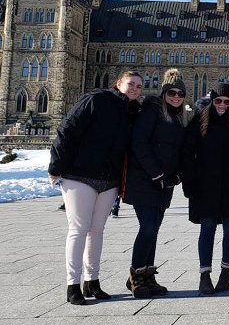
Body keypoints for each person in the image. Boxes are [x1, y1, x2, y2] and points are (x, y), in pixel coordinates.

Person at [49, 71, 143, 305]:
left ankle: (92, 281)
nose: (135, 89)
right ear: (118, 83)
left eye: (139, 86)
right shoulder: (96, 99)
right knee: (78, 229)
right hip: (80, 175)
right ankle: (72, 285)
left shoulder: (133, 112)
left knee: (97, 230)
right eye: (131, 84)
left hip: (108, 180)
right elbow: (67, 129)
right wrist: (56, 166)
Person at [123, 69, 187, 298]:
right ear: (163, 93)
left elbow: (178, 150)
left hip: (164, 183)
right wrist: (156, 174)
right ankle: (136, 278)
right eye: (172, 92)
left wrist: (176, 175)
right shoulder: (151, 111)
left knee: (154, 230)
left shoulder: (177, 117)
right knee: (148, 227)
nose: (176, 96)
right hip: (145, 180)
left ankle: (146, 276)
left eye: (181, 93)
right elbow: (139, 143)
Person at [181, 83, 229, 295]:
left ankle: (225, 271)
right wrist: (189, 182)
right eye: (218, 101)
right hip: (205, 185)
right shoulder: (200, 120)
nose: (222, 105)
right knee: (207, 228)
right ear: (212, 101)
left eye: (227, 101)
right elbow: (187, 152)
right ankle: (204, 275)